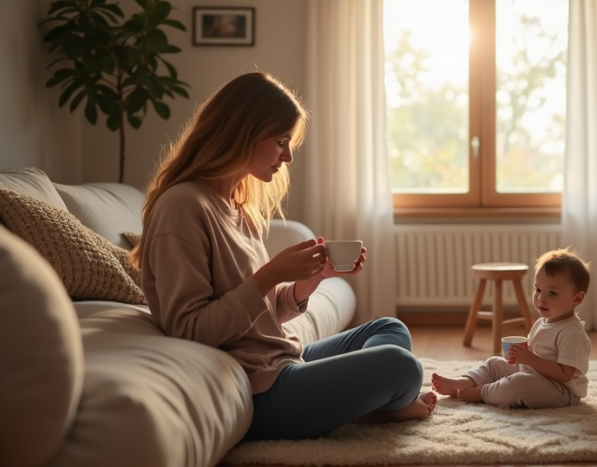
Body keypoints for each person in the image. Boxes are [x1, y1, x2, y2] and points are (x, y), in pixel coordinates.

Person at [129, 71, 436, 440]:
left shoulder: (236, 208)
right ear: (241, 132)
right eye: (280, 142)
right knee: (399, 366)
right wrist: (270, 275)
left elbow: (262, 313)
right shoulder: (182, 206)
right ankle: (373, 408)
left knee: (389, 328)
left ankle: (367, 406)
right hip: (263, 390)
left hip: (282, 360)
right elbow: (190, 329)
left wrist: (308, 282)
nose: (287, 156)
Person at [432, 248, 591, 408]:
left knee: (518, 384)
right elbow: (535, 354)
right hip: (534, 373)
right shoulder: (544, 321)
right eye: (538, 290)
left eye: (552, 293)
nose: (541, 298)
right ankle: (463, 382)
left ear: (576, 299)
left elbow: (564, 375)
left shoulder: (573, 333)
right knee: (495, 363)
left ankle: (483, 392)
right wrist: (520, 356)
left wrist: (529, 359)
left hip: (561, 390)